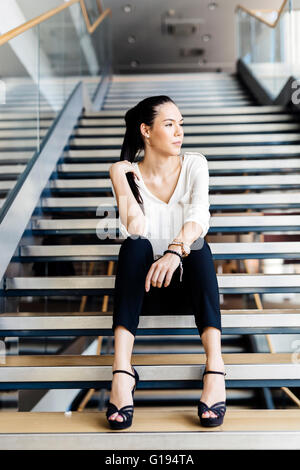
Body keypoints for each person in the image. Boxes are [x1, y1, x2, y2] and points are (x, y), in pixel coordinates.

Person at [106, 95, 226, 430]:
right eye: (169, 124)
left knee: (198, 246)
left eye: (181, 124)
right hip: (142, 290)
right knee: (134, 246)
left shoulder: (194, 164)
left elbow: (200, 217)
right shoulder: (129, 174)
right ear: (146, 130)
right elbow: (137, 228)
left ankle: (215, 367)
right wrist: (119, 177)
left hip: (190, 286)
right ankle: (122, 370)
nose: (179, 132)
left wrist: (174, 252)